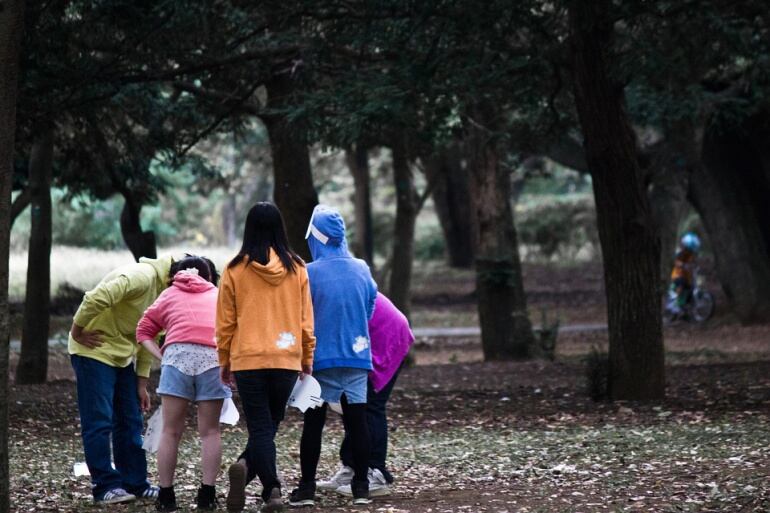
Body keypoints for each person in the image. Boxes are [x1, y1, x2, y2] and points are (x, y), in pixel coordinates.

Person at [217, 202, 316, 513]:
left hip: (248, 359)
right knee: (268, 425)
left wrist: (224, 359)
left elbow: (225, 322)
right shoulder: (297, 268)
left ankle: (251, 470)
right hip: (286, 358)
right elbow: (305, 319)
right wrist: (307, 355)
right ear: (280, 228)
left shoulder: (234, 269)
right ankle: (270, 488)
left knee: (262, 426)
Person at [289, 205, 378, 508]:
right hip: (356, 356)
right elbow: (370, 307)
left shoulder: (308, 273)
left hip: (320, 359)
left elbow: (301, 315)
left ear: (315, 236)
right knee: (358, 424)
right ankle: (362, 487)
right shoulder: (362, 268)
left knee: (313, 425)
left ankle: (307, 489)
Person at [69, 254, 173, 504]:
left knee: (130, 419)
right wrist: (77, 331)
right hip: (93, 350)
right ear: (174, 277)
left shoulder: (167, 295)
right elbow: (96, 297)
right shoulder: (141, 277)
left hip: (122, 356)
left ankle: (135, 483)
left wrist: (141, 383)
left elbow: (150, 334)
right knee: (99, 420)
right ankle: (104, 486)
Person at [136, 255, 231, 512]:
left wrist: (162, 354)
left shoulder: (168, 295)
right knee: (210, 431)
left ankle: (166, 496)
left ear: (176, 274)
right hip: (212, 358)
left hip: (176, 358)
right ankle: (207, 495)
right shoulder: (218, 295)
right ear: (209, 276)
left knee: (170, 431)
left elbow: (143, 330)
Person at [319, 292, 414, 497]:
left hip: (387, 336)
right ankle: (353, 466)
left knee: (370, 406)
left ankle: (376, 473)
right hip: (366, 339)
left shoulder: (316, 283)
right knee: (351, 405)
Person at [668, 232, 701, 315]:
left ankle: (685, 308)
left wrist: (695, 266)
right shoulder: (680, 252)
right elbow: (675, 261)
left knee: (691, 288)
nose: (691, 251)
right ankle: (675, 304)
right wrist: (682, 265)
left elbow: (694, 262)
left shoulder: (691, 254)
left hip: (687, 276)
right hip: (678, 275)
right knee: (681, 283)